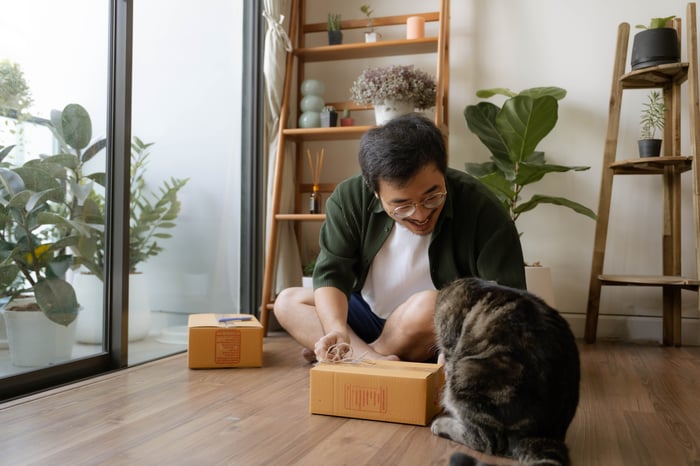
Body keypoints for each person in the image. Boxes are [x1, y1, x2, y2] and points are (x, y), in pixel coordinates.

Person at [274, 113, 525, 363]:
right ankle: (366, 357)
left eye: (432, 196)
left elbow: (508, 303)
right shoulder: (349, 198)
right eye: (402, 205)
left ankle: (358, 358)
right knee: (288, 302)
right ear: (375, 192)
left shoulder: (482, 208)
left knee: (432, 306)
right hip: (366, 314)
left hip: (429, 330)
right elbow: (331, 275)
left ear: (443, 171)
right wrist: (337, 329)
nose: (421, 213)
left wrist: (463, 351)